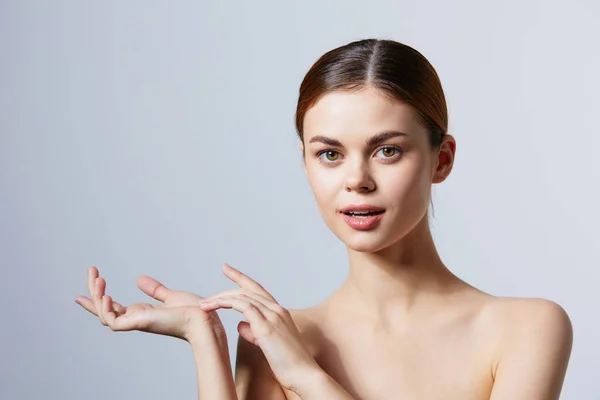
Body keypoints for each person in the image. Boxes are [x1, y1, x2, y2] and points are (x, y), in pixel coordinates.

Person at [75, 38, 573, 399]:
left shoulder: (526, 329)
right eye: (329, 155)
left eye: (388, 151)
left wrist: (307, 379)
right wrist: (205, 337)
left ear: (441, 159)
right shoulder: (273, 336)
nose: (356, 179)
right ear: (305, 163)